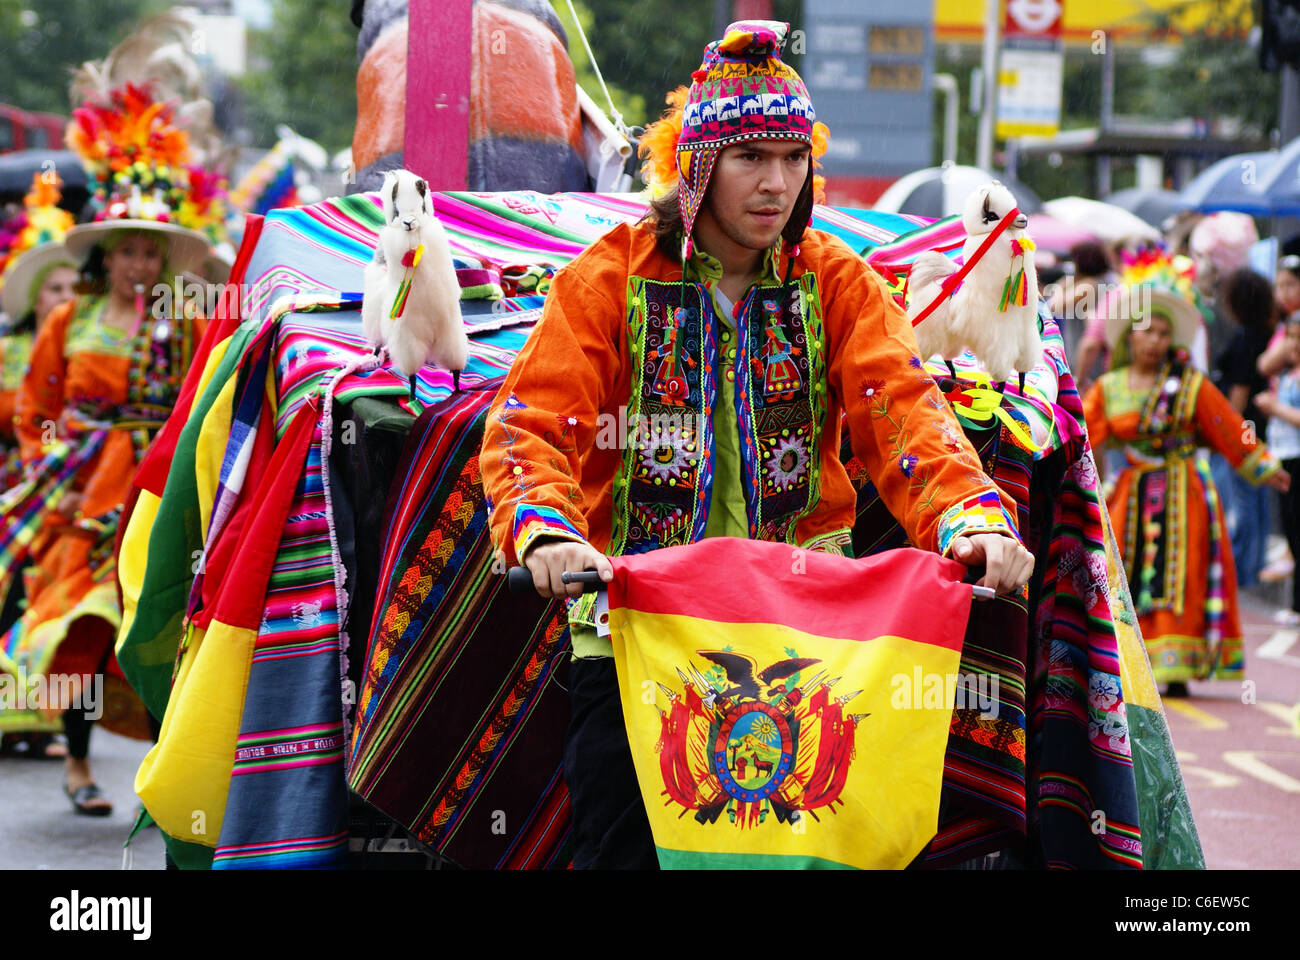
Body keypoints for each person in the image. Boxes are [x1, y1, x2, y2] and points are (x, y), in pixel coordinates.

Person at [479, 20, 1034, 869]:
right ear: (697, 165)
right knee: (623, 854)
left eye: (792, 157)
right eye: (750, 159)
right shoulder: (610, 278)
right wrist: (545, 527)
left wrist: (970, 515)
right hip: (637, 622)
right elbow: (532, 420)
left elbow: (903, 408)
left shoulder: (835, 278)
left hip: (801, 624)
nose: (777, 183)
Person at [0, 83, 211, 816]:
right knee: (80, 632)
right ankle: (80, 763)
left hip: (158, 489)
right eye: (127, 251)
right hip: (81, 495)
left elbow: (201, 404)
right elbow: (37, 405)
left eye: (150, 253)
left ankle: (161, 773)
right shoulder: (70, 321)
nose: (139, 266)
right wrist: (45, 466)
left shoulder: (185, 322)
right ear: (107, 256)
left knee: (161, 623)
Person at [1083, 282, 1289, 698]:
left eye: (1163, 334)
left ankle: (1173, 666)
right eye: (1147, 332)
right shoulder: (1109, 387)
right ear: (1129, 336)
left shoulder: (1190, 385)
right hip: (1132, 489)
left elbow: (1226, 424)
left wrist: (1265, 465)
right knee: (1120, 570)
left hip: (1184, 491)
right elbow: (1081, 435)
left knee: (1184, 572)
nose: (1156, 342)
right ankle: (1125, 659)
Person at [1212, 268, 1277, 588]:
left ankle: (1243, 568)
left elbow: (1238, 391)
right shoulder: (1267, 331)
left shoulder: (1245, 337)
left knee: (1244, 493)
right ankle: (1254, 561)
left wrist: (1229, 434)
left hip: (1245, 424)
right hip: (1258, 424)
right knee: (1256, 492)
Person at [1256, 315, 1300, 625]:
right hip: (1283, 458)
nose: (1294, 344)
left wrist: (1275, 408)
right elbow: (1264, 365)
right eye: (1290, 337)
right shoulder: (1286, 373)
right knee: (1291, 531)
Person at [1057, 240, 1117, 393]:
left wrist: (1066, 283)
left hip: (1086, 360)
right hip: (1094, 357)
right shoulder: (1106, 282)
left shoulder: (1089, 285)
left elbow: (1054, 305)